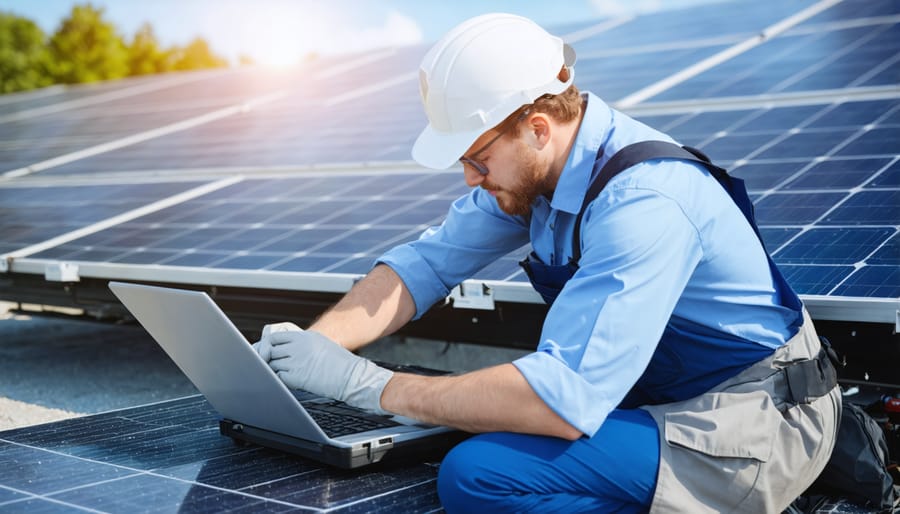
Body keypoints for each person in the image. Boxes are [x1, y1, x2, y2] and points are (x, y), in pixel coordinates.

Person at [253, 13, 841, 513]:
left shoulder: (644, 202)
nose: (469, 179)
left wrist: (370, 386)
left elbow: (560, 399)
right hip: (665, 400)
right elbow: (423, 266)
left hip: (754, 424)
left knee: (478, 474)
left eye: (479, 159)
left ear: (537, 129)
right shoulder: (539, 176)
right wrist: (311, 351)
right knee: (465, 416)